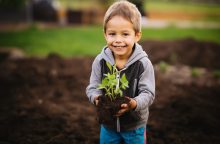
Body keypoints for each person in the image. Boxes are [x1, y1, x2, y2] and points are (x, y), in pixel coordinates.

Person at [86, 0, 155, 143]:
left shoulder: (143, 64)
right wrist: (97, 98)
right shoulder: (100, 61)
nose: (118, 40)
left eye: (125, 34)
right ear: (105, 35)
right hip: (108, 126)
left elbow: (148, 94)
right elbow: (92, 87)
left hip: (134, 127)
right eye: (112, 34)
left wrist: (133, 104)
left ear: (136, 36)